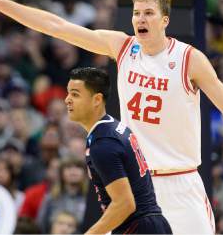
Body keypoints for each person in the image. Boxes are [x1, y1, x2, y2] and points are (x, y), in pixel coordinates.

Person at [0, 0, 223, 234]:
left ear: (165, 19)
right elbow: (56, 26)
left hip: (182, 181)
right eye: (136, 13)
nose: (140, 19)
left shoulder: (190, 59)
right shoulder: (121, 46)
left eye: (148, 13)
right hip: (136, 185)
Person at [65, 67, 171, 234]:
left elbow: (125, 204)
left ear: (97, 100)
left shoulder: (103, 143)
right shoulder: (113, 127)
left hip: (138, 227)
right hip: (150, 223)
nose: (67, 100)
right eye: (68, 93)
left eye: (75, 94)